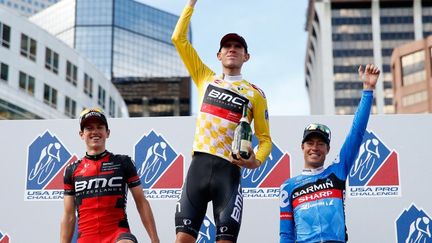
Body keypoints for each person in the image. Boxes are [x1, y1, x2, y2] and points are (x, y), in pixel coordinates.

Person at [172, 0, 272, 242]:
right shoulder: (205, 77)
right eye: (227, 46)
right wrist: (191, 4)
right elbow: (178, 39)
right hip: (199, 167)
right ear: (218, 55)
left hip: (229, 173)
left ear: (246, 56)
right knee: (182, 239)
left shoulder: (255, 94)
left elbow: (266, 139)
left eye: (238, 46)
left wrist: (255, 161)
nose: (232, 49)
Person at [279, 64, 380, 243]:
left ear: (328, 149)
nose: (315, 148)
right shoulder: (288, 187)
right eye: (310, 143)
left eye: (320, 144)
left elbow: (356, 133)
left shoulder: (337, 171)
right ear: (302, 147)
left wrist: (368, 90)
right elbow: (286, 234)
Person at [60, 108, 160, 243]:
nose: (95, 132)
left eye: (100, 127)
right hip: (86, 238)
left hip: (118, 234)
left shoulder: (123, 162)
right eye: (89, 128)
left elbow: (141, 203)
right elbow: (69, 215)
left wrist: (155, 240)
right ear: (81, 134)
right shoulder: (71, 170)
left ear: (107, 133)